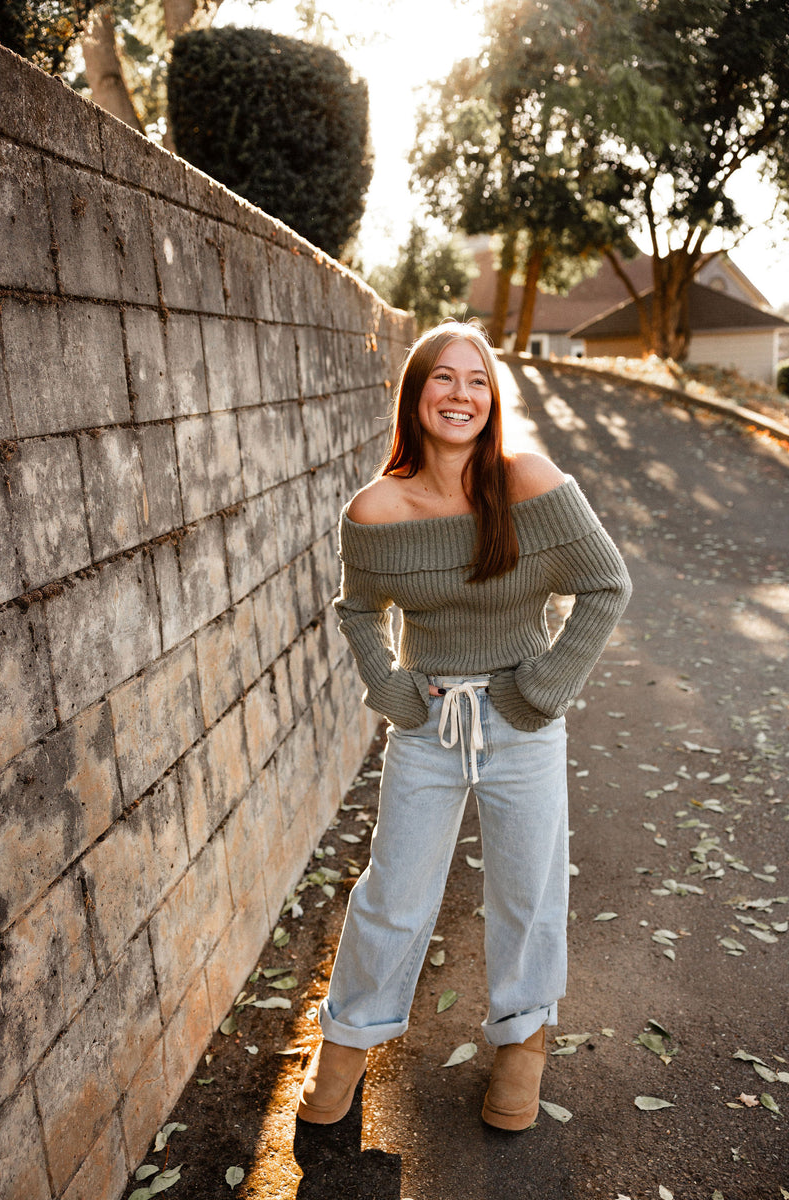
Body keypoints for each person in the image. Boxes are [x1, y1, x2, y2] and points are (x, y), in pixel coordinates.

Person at [296, 320, 631, 1130]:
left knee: (528, 891)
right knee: (395, 894)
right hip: (430, 725)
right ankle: (348, 1039)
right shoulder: (375, 510)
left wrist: (542, 690)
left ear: (492, 398)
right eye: (443, 378)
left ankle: (523, 1044)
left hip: (521, 718)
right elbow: (358, 612)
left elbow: (606, 584)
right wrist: (395, 694)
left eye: (477, 380)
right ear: (415, 396)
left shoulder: (530, 483)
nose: (461, 394)